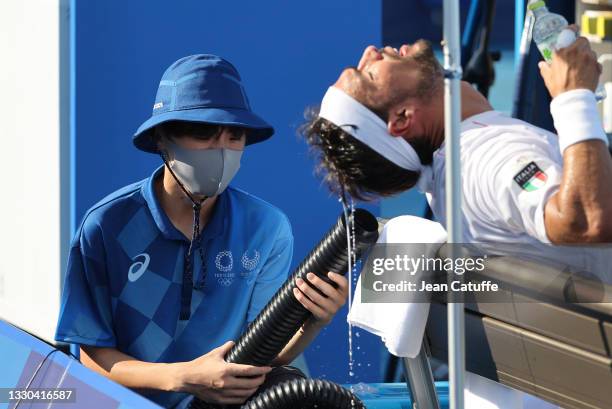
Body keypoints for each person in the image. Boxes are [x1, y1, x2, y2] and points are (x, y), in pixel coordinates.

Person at [55, 54, 349, 408]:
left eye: (234, 136)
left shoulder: (267, 228)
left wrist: (312, 323)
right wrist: (182, 378)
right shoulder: (105, 225)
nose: (222, 150)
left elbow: (265, 355)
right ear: (162, 138)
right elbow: (91, 357)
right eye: (203, 133)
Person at [301, 33, 612, 283]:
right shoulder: (485, 157)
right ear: (402, 118)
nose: (371, 50)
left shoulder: (459, 167)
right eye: (369, 74)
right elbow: (585, 219)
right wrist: (573, 98)